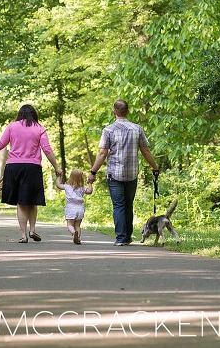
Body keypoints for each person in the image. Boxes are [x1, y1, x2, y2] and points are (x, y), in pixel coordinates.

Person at [0, 104, 63, 243]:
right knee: (33, 202)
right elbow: (47, 149)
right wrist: (56, 167)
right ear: (34, 115)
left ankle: (24, 235)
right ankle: (32, 230)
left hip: (14, 167)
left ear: (19, 115)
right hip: (32, 168)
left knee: (21, 203)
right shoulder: (40, 128)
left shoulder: (12, 126)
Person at [87, 100, 159, 246]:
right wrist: (155, 167)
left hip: (114, 175)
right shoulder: (137, 129)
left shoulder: (108, 130)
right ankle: (127, 237)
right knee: (128, 205)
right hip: (132, 174)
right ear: (128, 111)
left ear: (114, 112)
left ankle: (121, 238)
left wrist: (93, 172)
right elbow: (145, 151)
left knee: (119, 205)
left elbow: (102, 153)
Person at [55, 169, 93, 244]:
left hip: (70, 208)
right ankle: (78, 238)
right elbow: (90, 191)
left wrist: (58, 177)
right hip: (80, 208)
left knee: (70, 224)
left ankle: (73, 232)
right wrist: (90, 183)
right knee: (78, 225)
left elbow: (58, 185)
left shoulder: (67, 186)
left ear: (70, 177)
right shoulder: (82, 188)